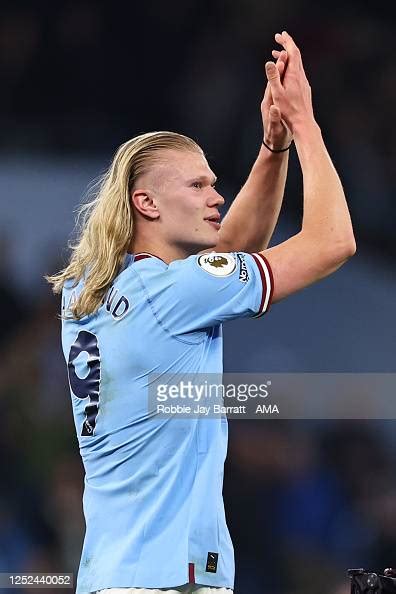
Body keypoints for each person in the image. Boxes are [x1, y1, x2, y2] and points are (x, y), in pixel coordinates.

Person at [47, 31, 355, 594]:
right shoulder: (172, 294)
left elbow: (229, 256)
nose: (216, 195)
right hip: (169, 578)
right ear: (147, 203)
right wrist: (308, 124)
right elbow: (333, 241)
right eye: (199, 184)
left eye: (215, 183)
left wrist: (273, 146)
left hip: (112, 574)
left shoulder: (91, 287)